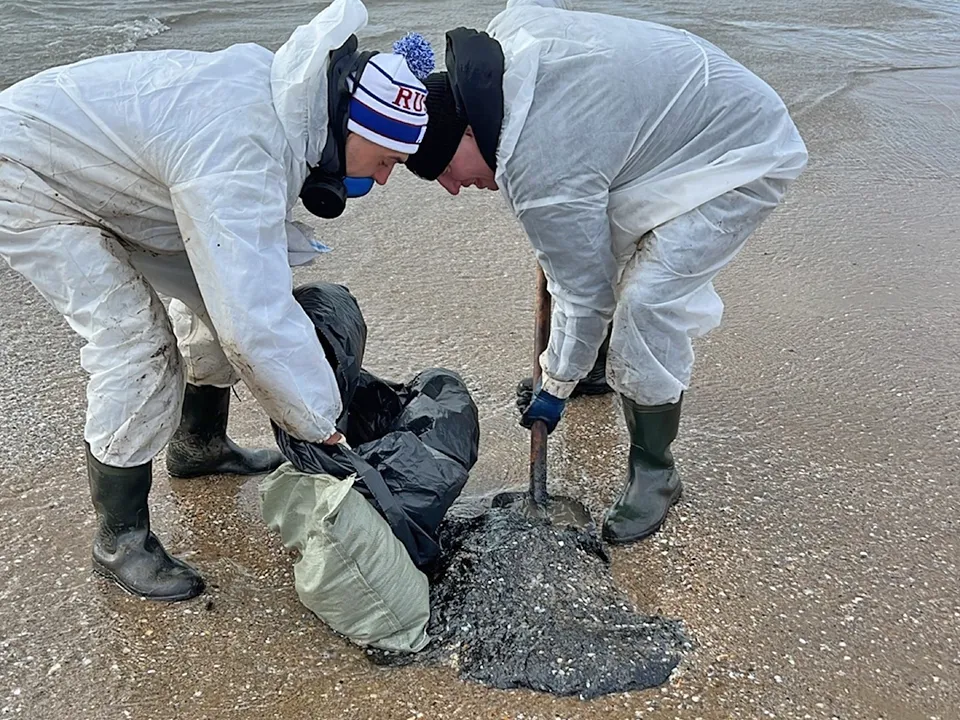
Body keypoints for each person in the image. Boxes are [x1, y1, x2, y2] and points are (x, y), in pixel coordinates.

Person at [0, 0, 434, 602]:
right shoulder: (245, 147)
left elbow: (238, 299)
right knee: (136, 345)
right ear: (357, 128)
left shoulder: (288, 117)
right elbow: (252, 321)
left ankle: (198, 445)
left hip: (114, 176)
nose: (384, 180)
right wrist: (324, 431)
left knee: (213, 300)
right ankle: (119, 538)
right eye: (387, 160)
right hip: (28, 175)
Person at [406, 0, 807, 544]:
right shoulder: (504, 57)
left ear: (471, 134)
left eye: (447, 170)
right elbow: (576, 250)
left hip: (741, 147)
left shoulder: (540, 165)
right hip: (679, 116)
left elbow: (585, 292)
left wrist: (554, 386)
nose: (454, 188)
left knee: (647, 302)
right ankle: (596, 367)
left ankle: (656, 471)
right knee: (587, 242)